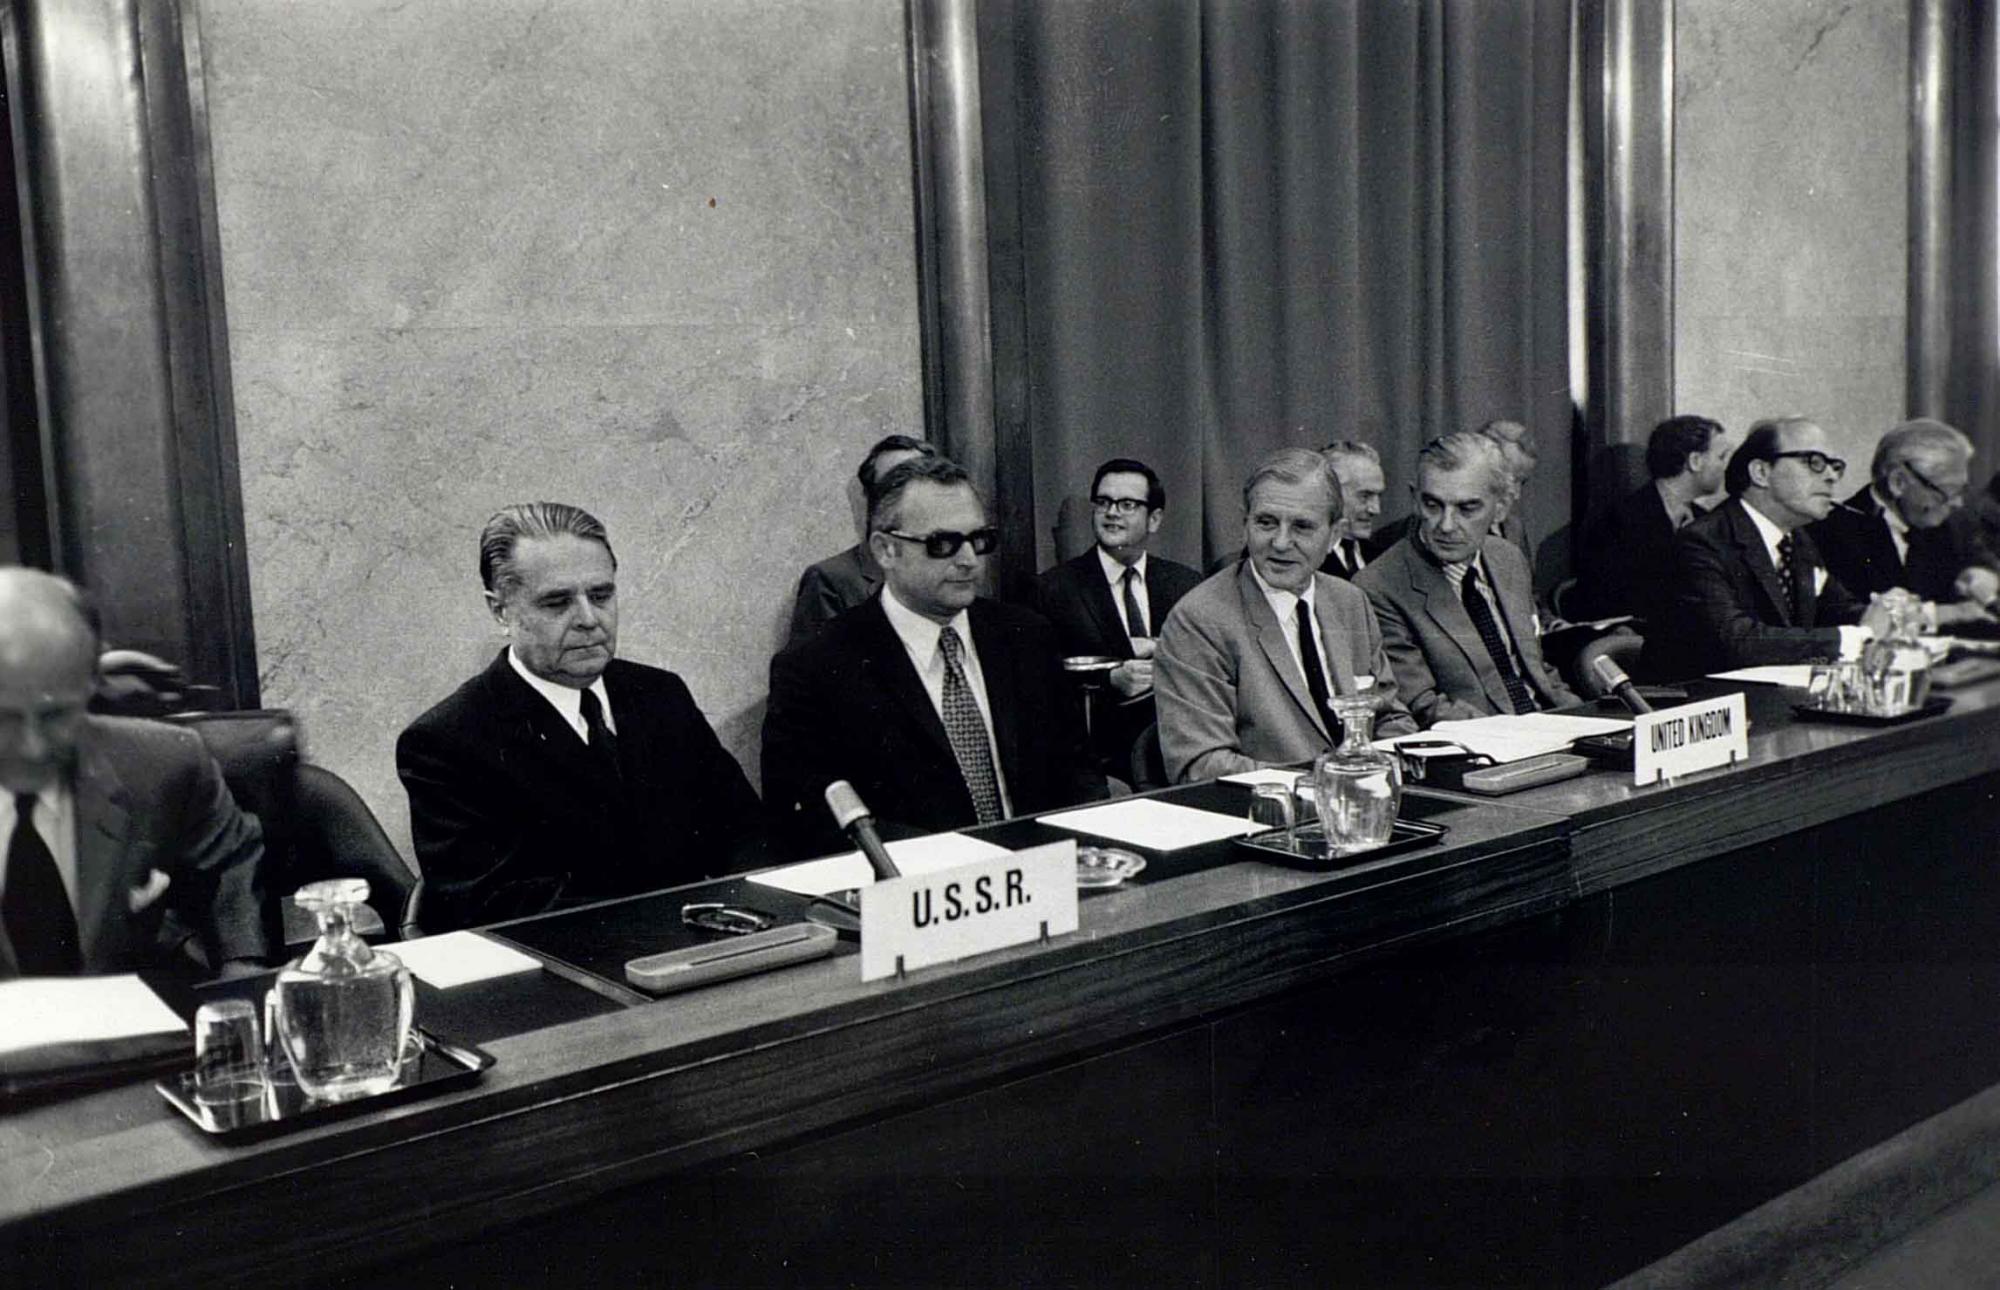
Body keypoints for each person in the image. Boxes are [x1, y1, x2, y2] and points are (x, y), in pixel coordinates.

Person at [397, 503, 766, 932]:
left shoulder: (659, 695)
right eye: (557, 603)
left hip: (711, 941)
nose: (589, 620)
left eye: (601, 595)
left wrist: (755, 916)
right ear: (501, 611)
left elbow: (745, 833)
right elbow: (494, 906)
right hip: (575, 959)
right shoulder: (447, 741)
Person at [762, 457, 1103, 858]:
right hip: (911, 885)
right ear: (886, 550)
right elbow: (809, 823)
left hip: (1042, 873)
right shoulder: (816, 666)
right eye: (943, 544)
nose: (969, 560)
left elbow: (1078, 775)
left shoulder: (1027, 635)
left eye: (979, 540)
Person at [0, 568, 269, 978]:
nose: (32, 746)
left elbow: (231, 861)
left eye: (56, 715)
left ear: (92, 683)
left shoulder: (166, 763)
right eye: (4, 718)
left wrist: (242, 967)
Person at [1154, 449, 1414, 784]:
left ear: (1334, 535)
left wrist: (1388, 766)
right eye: (1266, 522)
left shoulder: (1350, 601)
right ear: (1244, 525)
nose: (1280, 543)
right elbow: (1201, 766)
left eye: (1302, 526)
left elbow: (1389, 717)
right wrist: (1327, 785)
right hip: (1269, 811)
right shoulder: (1199, 620)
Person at [1647, 417, 1900, 677]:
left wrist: (1888, 612)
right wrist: (1857, 637)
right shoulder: (1701, 541)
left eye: (1835, 466)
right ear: (1761, 472)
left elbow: (1839, 608)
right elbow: (1736, 641)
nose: (1832, 476)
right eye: (1814, 462)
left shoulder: (1798, 539)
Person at [1356, 432, 1579, 726]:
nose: (1447, 526)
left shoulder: (1508, 558)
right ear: (1415, 499)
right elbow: (1423, 705)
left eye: (1467, 508)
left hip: (1548, 724)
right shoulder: (1377, 587)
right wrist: (1520, 733)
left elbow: (1536, 669)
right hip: (1484, 738)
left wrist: (1581, 716)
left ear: (1501, 507)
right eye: (1432, 505)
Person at [1031, 458, 1202, 776]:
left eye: (1126, 504)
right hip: (1099, 766)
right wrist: (1109, 681)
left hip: (1177, 757)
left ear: (1154, 519)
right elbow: (1037, 686)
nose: (1111, 513)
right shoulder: (1052, 590)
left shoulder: (1186, 585)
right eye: (1103, 502)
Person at [1805, 418, 1998, 616]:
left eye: (1961, 490)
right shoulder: (1831, 533)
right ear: (1898, 483)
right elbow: (1857, 617)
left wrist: (1983, 574)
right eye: (1947, 491)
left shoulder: (1944, 524)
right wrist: (1950, 614)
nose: (1958, 502)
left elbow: (1977, 561)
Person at [1571, 414, 1732, 625]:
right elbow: (1609, 603)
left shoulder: (1708, 521)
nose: (1725, 467)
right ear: (1695, 461)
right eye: (1721, 457)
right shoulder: (1619, 522)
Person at [786, 434, 937, 646]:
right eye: (892, 486)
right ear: (869, 499)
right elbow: (813, 664)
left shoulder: (952, 564)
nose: (905, 498)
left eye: (918, 484)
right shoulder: (831, 580)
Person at [1317, 440, 1387, 579]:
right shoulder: (1306, 558)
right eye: (1365, 496)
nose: (1376, 509)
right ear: (1330, 492)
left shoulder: (1383, 560)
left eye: (1378, 496)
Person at [1478, 419, 1540, 565]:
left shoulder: (1514, 530)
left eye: (1521, 482)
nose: (1517, 495)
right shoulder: (1451, 527)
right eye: (1510, 479)